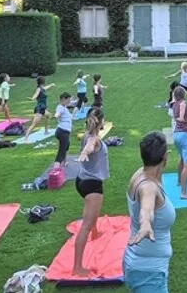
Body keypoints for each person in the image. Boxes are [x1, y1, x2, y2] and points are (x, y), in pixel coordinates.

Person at [124, 131, 176, 293]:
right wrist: (145, 223)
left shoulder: (141, 173)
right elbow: (146, 208)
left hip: (140, 264)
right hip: (148, 273)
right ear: (165, 156)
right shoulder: (148, 186)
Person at [73, 108, 109, 277]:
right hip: (92, 185)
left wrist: (86, 151)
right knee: (86, 225)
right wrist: (85, 152)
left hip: (82, 180)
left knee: (90, 214)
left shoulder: (87, 135)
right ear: (101, 122)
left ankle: (95, 233)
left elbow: (89, 144)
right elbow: (90, 146)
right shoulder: (93, 139)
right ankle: (77, 267)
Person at [170, 86, 187, 200]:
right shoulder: (183, 103)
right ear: (184, 94)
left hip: (176, 135)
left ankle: (179, 181)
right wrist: (184, 118)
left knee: (181, 157)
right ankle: (184, 193)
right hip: (185, 135)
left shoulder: (174, 104)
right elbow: (182, 117)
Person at [23, 76, 56, 142]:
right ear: (43, 82)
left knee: (48, 116)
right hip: (40, 108)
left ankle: (46, 131)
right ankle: (26, 138)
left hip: (43, 108)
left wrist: (51, 85)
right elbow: (36, 94)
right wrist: (32, 98)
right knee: (34, 124)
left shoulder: (42, 88)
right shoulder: (39, 89)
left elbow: (46, 88)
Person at [53, 92, 74, 166]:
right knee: (61, 151)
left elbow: (69, 117)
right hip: (62, 132)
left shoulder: (64, 107)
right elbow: (58, 113)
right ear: (63, 99)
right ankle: (55, 169)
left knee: (67, 145)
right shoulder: (60, 108)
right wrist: (56, 116)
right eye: (68, 100)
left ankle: (65, 162)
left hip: (64, 131)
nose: (69, 102)